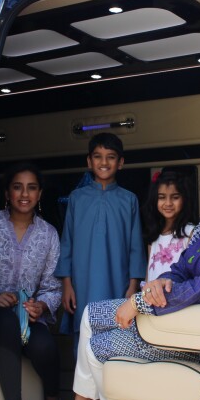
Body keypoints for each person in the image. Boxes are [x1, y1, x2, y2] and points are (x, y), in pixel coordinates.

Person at [64, 149, 200, 400]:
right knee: (90, 314)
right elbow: (180, 270)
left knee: (98, 347)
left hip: (198, 334)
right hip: (177, 316)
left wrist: (140, 302)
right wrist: (158, 283)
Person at [0, 162, 64, 400]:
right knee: (5, 322)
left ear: (40, 194)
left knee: (45, 347)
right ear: (7, 193)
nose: (24, 194)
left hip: (28, 318)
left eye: (31, 188)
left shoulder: (48, 234)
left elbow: (53, 285)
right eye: (17, 187)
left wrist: (40, 306)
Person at [55, 133, 145, 356]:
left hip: (118, 284)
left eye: (111, 157)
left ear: (121, 162)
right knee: (83, 341)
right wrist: (67, 285)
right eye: (98, 156)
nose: (104, 162)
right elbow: (67, 242)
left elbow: (136, 246)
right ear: (89, 161)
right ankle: (84, 393)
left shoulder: (129, 199)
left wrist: (133, 286)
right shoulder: (76, 198)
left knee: (116, 341)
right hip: (81, 285)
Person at [142, 168, 196, 282]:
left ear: (184, 199)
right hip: (151, 297)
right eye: (161, 197)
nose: (168, 203)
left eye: (175, 197)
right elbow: (149, 273)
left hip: (177, 297)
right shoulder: (154, 234)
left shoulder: (190, 232)